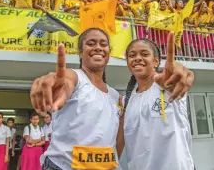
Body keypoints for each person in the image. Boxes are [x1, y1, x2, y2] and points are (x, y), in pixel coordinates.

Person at [30, 28, 194, 170]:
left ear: (109, 52)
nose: (98, 48)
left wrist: (179, 74)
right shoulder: (76, 78)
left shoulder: (119, 98)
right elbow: (67, 79)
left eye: (103, 44)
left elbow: (117, 143)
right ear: (80, 52)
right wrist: (54, 84)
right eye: (91, 43)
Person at [117, 32, 194, 170]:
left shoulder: (169, 87)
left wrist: (178, 73)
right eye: (132, 55)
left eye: (144, 54)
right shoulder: (126, 101)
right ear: (128, 63)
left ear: (156, 61)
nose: (137, 58)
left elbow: (177, 79)